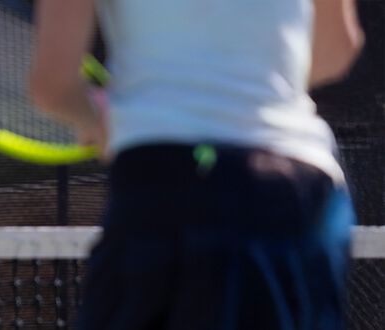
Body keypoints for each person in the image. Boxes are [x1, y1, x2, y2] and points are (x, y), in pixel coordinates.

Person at [29, 0, 363, 329]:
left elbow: (54, 86)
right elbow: (337, 48)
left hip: (170, 186)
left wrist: (101, 122)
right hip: (307, 194)